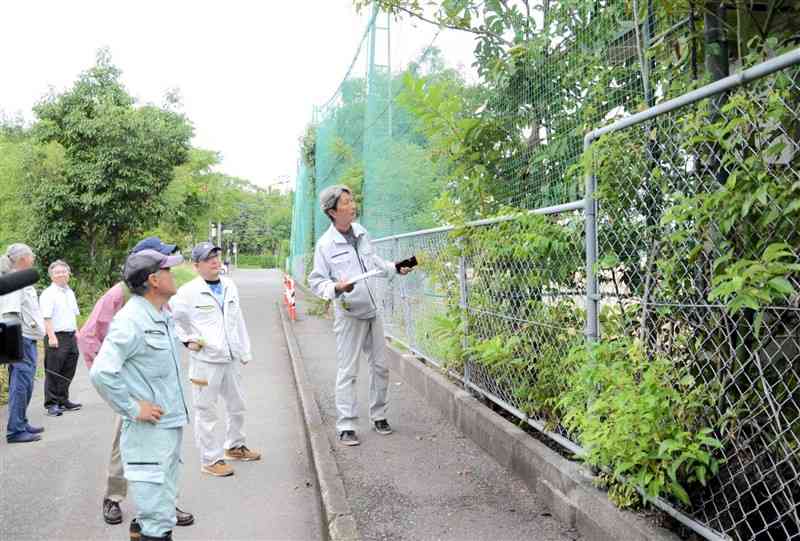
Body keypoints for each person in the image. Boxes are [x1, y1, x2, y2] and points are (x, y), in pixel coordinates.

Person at [78, 236, 193, 527]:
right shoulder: (119, 296)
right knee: (127, 444)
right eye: (164, 262)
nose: (171, 269)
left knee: (161, 459)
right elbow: (88, 335)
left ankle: (163, 505)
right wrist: (120, 385)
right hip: (129, 387)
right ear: (149, 273)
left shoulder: (158, 301)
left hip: (153, 389)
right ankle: (114, 498)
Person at [308, 185, 413, 446]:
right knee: (348, 371)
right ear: (332, 211)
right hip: (349, 314)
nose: (352, 205)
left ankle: (379, 416)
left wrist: (395, 269)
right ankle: (346, 425)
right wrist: (337, 288)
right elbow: (317, 282)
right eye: (346, 202)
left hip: (373, 310)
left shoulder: (362, 233)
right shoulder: (325, 245)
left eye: (352, 200)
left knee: (381, 367)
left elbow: (374, 262)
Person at [171, 241, 260, 477]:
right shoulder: (187, 292)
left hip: (229, 358)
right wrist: (187, 340)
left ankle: (234, 446)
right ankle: (210, 459)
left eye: (216, 257)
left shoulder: (229, 285)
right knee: (206, 412)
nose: (214, 262)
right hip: (205, 363)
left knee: (238, 405)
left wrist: (244, 350)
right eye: (208, 259)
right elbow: (173, 318)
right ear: (196, 265)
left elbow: (237, 319)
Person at [0, 244, 46, 444]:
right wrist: (15, 347)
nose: (34, 258)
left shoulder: (21, 278)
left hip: (28, 338)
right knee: (21, 384)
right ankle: (15, 430)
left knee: (26, 384)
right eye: (31, 255)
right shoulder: (14, 279)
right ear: (22, 259)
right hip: (20, 339)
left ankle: (21, 422)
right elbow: (10, 314)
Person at [40, 259, 81, 417]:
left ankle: (64, 400)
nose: (61, 274)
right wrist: (51, 336)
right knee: (54, 371)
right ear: (51, 276)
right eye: (57, 272)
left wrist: (77, 331)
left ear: (68, 274)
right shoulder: (48, 294)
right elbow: (46, 317)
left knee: (68, 370)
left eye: (64, 271)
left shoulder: (69, 292)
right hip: (55, 336)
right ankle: (52, 403)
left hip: (70, 336)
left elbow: (72, 314)